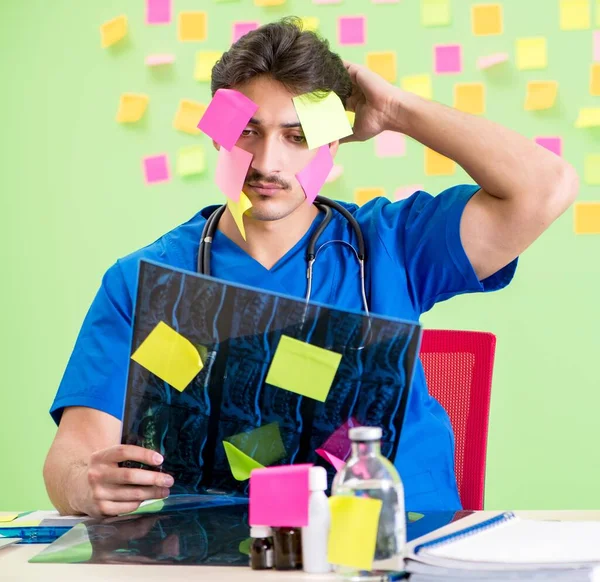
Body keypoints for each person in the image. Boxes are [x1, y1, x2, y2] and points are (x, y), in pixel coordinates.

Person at [43, 17, 578, 517]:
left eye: (298, 136)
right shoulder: (145, 280)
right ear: (219, 132)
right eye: (249, 131)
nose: (269, 162)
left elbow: (545, 186)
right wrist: (81, 483)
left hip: (401, 537)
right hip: (228, 552)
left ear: (331, 142)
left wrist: (395, 110)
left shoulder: (395, 244)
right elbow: (73, 452)